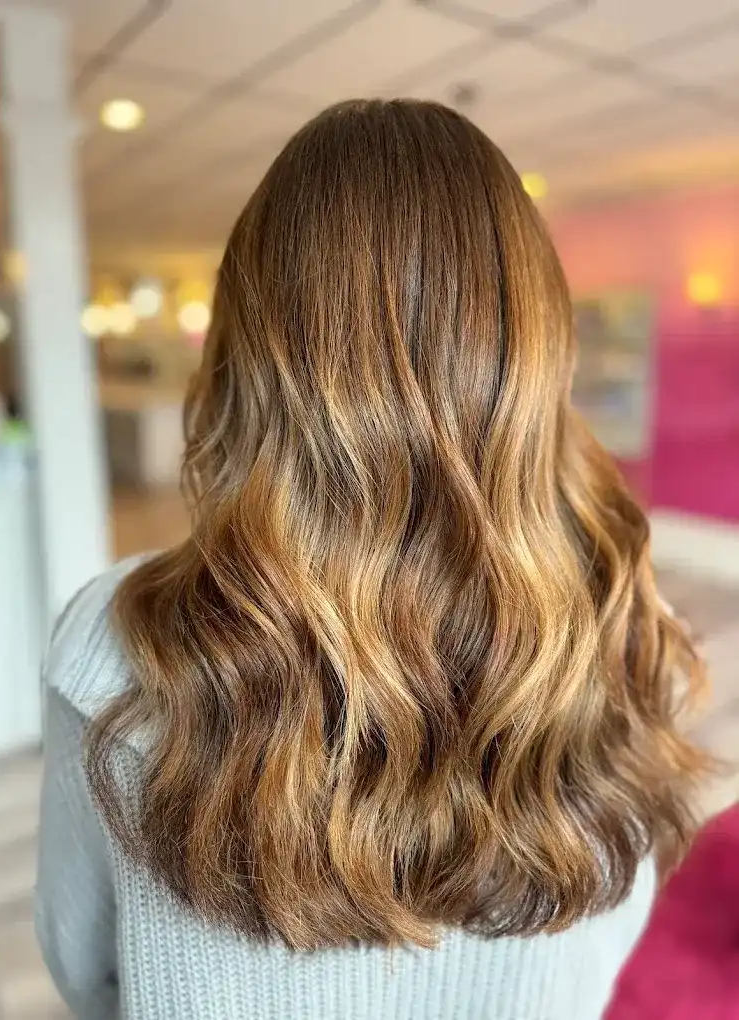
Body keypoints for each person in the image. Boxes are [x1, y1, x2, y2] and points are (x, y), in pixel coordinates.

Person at [36, 99, 707, 1020]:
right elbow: (612, 926)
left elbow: (82, 966)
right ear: (530, 355)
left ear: (247, 356)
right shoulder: (625, 627)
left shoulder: (114, 638)